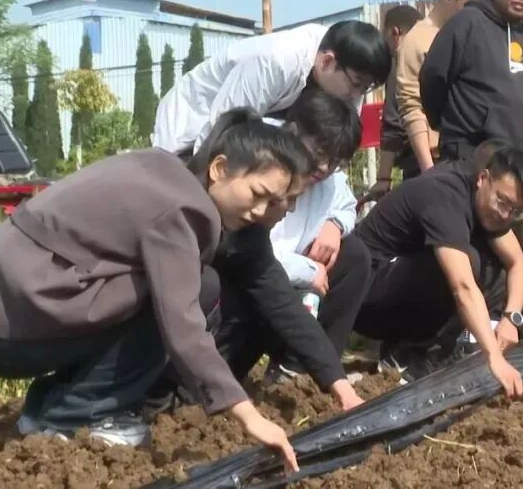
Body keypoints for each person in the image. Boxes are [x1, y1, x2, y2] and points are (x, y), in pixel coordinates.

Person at [0, 109, 312, 472]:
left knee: (191, 285)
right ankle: (77, 417)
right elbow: (183, 326)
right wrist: (247, 413)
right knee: (182, 294)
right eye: (258, 193)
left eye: (277, 203)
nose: (263, 211)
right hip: (7, 331)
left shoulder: (162, 169)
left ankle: (46, 408)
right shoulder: (185, 209)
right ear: (220, 169)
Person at [146, 89, 367, 413]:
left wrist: (340, 386)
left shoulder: (248, 233)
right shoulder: (177, 206)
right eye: (271, 197)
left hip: (201, 332)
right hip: (94, 317)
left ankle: (195, 390)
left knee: (264, 294)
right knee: (208, 287)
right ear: (220, 169)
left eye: (288, 200)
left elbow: (281, 302)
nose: (286, 210)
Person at [351, 141, 523, 397]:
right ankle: (405, 353)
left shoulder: (490, 205)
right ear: (483, 178)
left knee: (489, 265)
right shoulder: (445, 194)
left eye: (515, 211)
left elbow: (517, 264)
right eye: (502, 202)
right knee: (466, 262)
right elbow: (462, 287)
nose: (505, 215)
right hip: (365, 296)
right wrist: (494, 358)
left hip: (400, 285)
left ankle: (440, 346)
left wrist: (511, 319)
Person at [261, 87, 372, 383]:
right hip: (251, 289)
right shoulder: (260, 162)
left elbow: (347, 205)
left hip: (294, 290)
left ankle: (311, 369)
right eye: (320, 154)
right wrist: (307, 270)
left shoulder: (326, 177)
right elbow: (250, 254)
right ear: (294, 132)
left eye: (334, 161)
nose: (324, 167)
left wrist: (334, 225)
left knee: (354, 256)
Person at [153, 20, 392, 155]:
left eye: (366, 88)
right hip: (194, 122)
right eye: (358, 85)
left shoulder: (349, 78)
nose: (357, 96)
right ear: (327, 61)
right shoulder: (275, 60)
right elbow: (221, 129)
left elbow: (337, 148)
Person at [420, 0, 523, 162]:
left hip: (518, 155)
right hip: (471, 151)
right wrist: (449, 124)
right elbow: (433, 77)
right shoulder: (467, 22)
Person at [396, 0, 491, 174]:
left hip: (470, 156)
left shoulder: (472, 36)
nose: (476, 13)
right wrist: (428, 169)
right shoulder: (417, 39)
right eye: (469, 5)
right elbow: (411, 106)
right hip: (433, 161)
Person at [362, 5, 423, 207]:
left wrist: (383, 178)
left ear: (395, 33)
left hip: (417, 163)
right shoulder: (437, 54)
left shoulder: (401, 60)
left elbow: (393, 122)